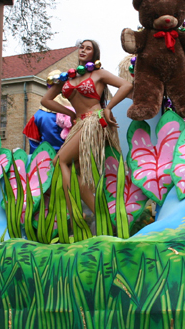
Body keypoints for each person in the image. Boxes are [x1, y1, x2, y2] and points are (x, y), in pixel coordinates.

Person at [41, 39, 132, 215]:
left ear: (94, 53)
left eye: (88, 48)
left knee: (59, 162)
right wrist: (69, 113)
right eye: (81, 47)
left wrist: (108, 108)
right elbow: (46, 100)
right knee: (73, 172)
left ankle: (75, 213)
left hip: (94, 122)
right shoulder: (67, 77)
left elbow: (126, 85)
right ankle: (101, 216)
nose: (83, 50)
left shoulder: (99, 73)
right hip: (80, 124)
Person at [23, 71, 75, 154]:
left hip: (46, 158)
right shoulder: (77, 112)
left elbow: (34, 146)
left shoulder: (38, 116)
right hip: (71, 157)